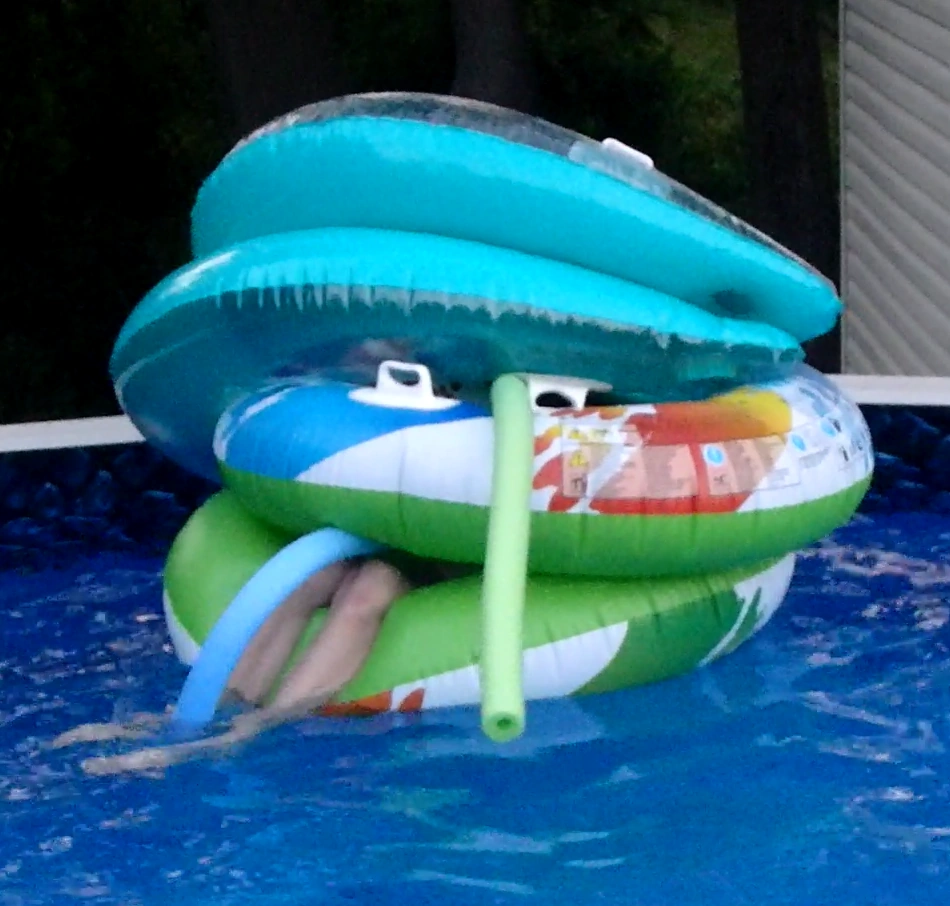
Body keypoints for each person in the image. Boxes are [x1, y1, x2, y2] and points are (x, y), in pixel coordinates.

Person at [53, 553, 470, 775]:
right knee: (312, 573)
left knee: (371, 587)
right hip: (374, 529)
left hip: (447, 550)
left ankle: (247, 730)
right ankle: (201, 712)